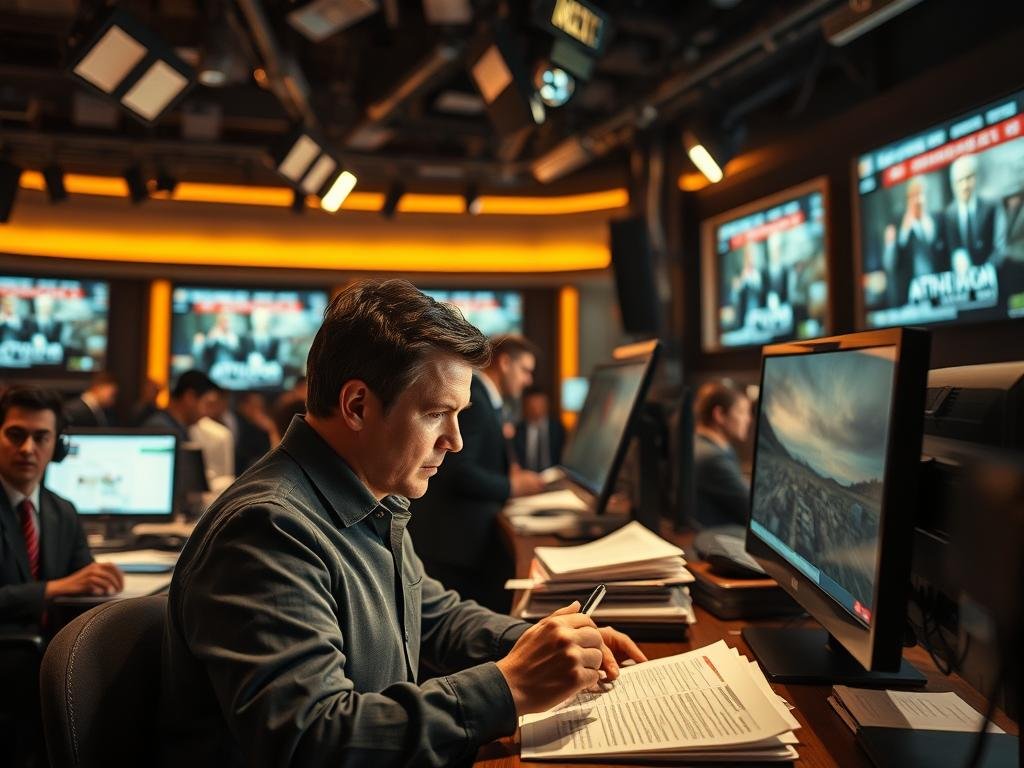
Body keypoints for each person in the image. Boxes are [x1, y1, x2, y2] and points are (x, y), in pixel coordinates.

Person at [159, 279, 645, 767]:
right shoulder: (268, 531)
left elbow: (433, 616)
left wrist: (539, 643)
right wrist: (509, 685)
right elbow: (314, 740)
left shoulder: (373, 495)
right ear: (357, 406)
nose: (455, 441)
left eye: (459, 415)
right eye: (436, 414)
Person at [409, 334, 545, 612]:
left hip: (460, 542)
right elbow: (459, 470)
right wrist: (512, 487)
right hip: (453, 545)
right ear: (505, 363)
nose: (528, 380)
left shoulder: (487, 400)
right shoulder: (475, 400)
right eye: (525, 370)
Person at [691, 380, 753, 529]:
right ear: (719, 415)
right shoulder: (713, 458)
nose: (748, 419)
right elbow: (750, 508)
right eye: (742, 412)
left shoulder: (701, 443)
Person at [883, 176, 945, 305]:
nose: (917, 200)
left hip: (937, 293)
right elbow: (890, 265)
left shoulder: (937, 220)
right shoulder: (897, 225)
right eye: (913, 196)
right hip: (909, 298)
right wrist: (903, 233)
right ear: (907, 199)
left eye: (920, 194)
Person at [942, 153, 1007, 271]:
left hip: (992, 274)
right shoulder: (948, 216)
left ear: (975, 178)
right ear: (953, 184)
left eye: (968, 178)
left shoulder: (990, 207)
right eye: (960, 180)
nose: (965, 185)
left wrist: (984, 273)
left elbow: (1000, 247)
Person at [142, 369, 219, 443]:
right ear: (190, 397)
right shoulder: (161, 428)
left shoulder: (180, 428)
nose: (209, 413)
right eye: (208, 404)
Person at [513, 386, 565, 471]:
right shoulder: (517, 431)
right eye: (532, 405)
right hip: (526, 475)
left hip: (553, 474)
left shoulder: (557, 429)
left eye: (540, 404)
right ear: (525, 406)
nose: (536, 408)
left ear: (547, 404)